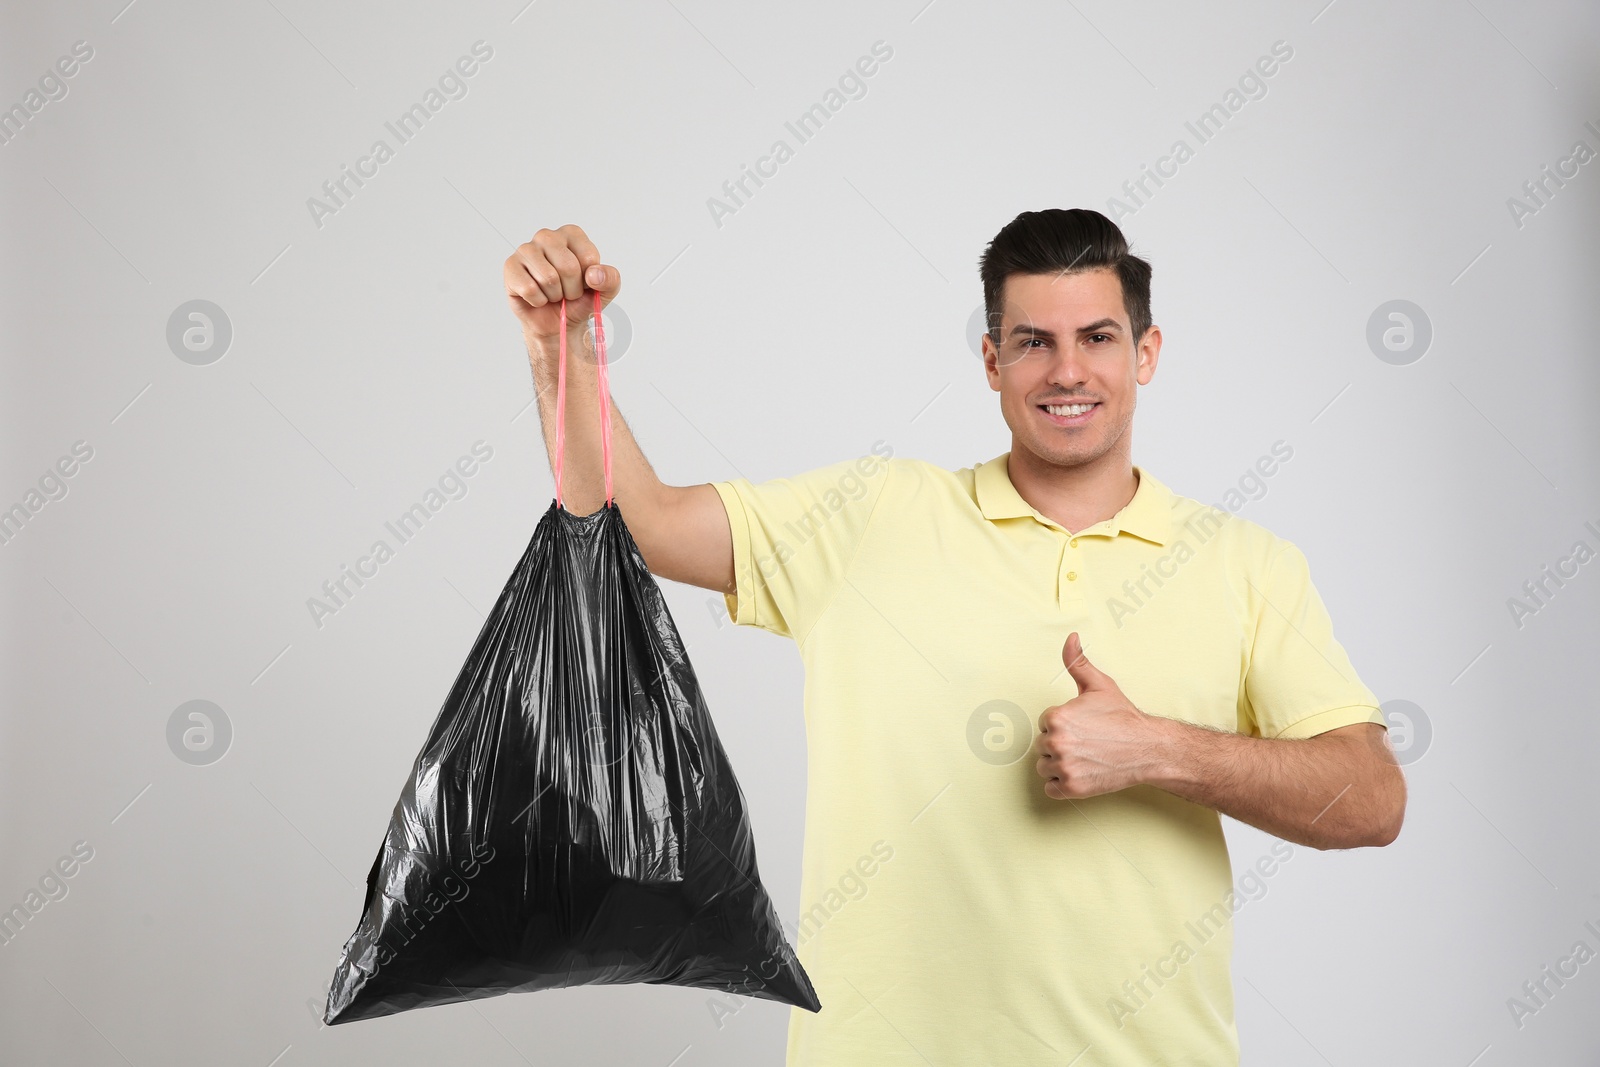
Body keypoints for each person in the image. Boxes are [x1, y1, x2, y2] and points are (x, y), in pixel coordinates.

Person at [502, 208, 1406, 1066]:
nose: (1067, 371)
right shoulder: (873, 513)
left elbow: (1371, 798)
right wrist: (561, 348)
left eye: (1097, 337)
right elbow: (639, 522)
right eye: (1032, 342)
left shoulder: (1244, 564)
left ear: (1147, 352)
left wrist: (1160, 751)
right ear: (991, 360)